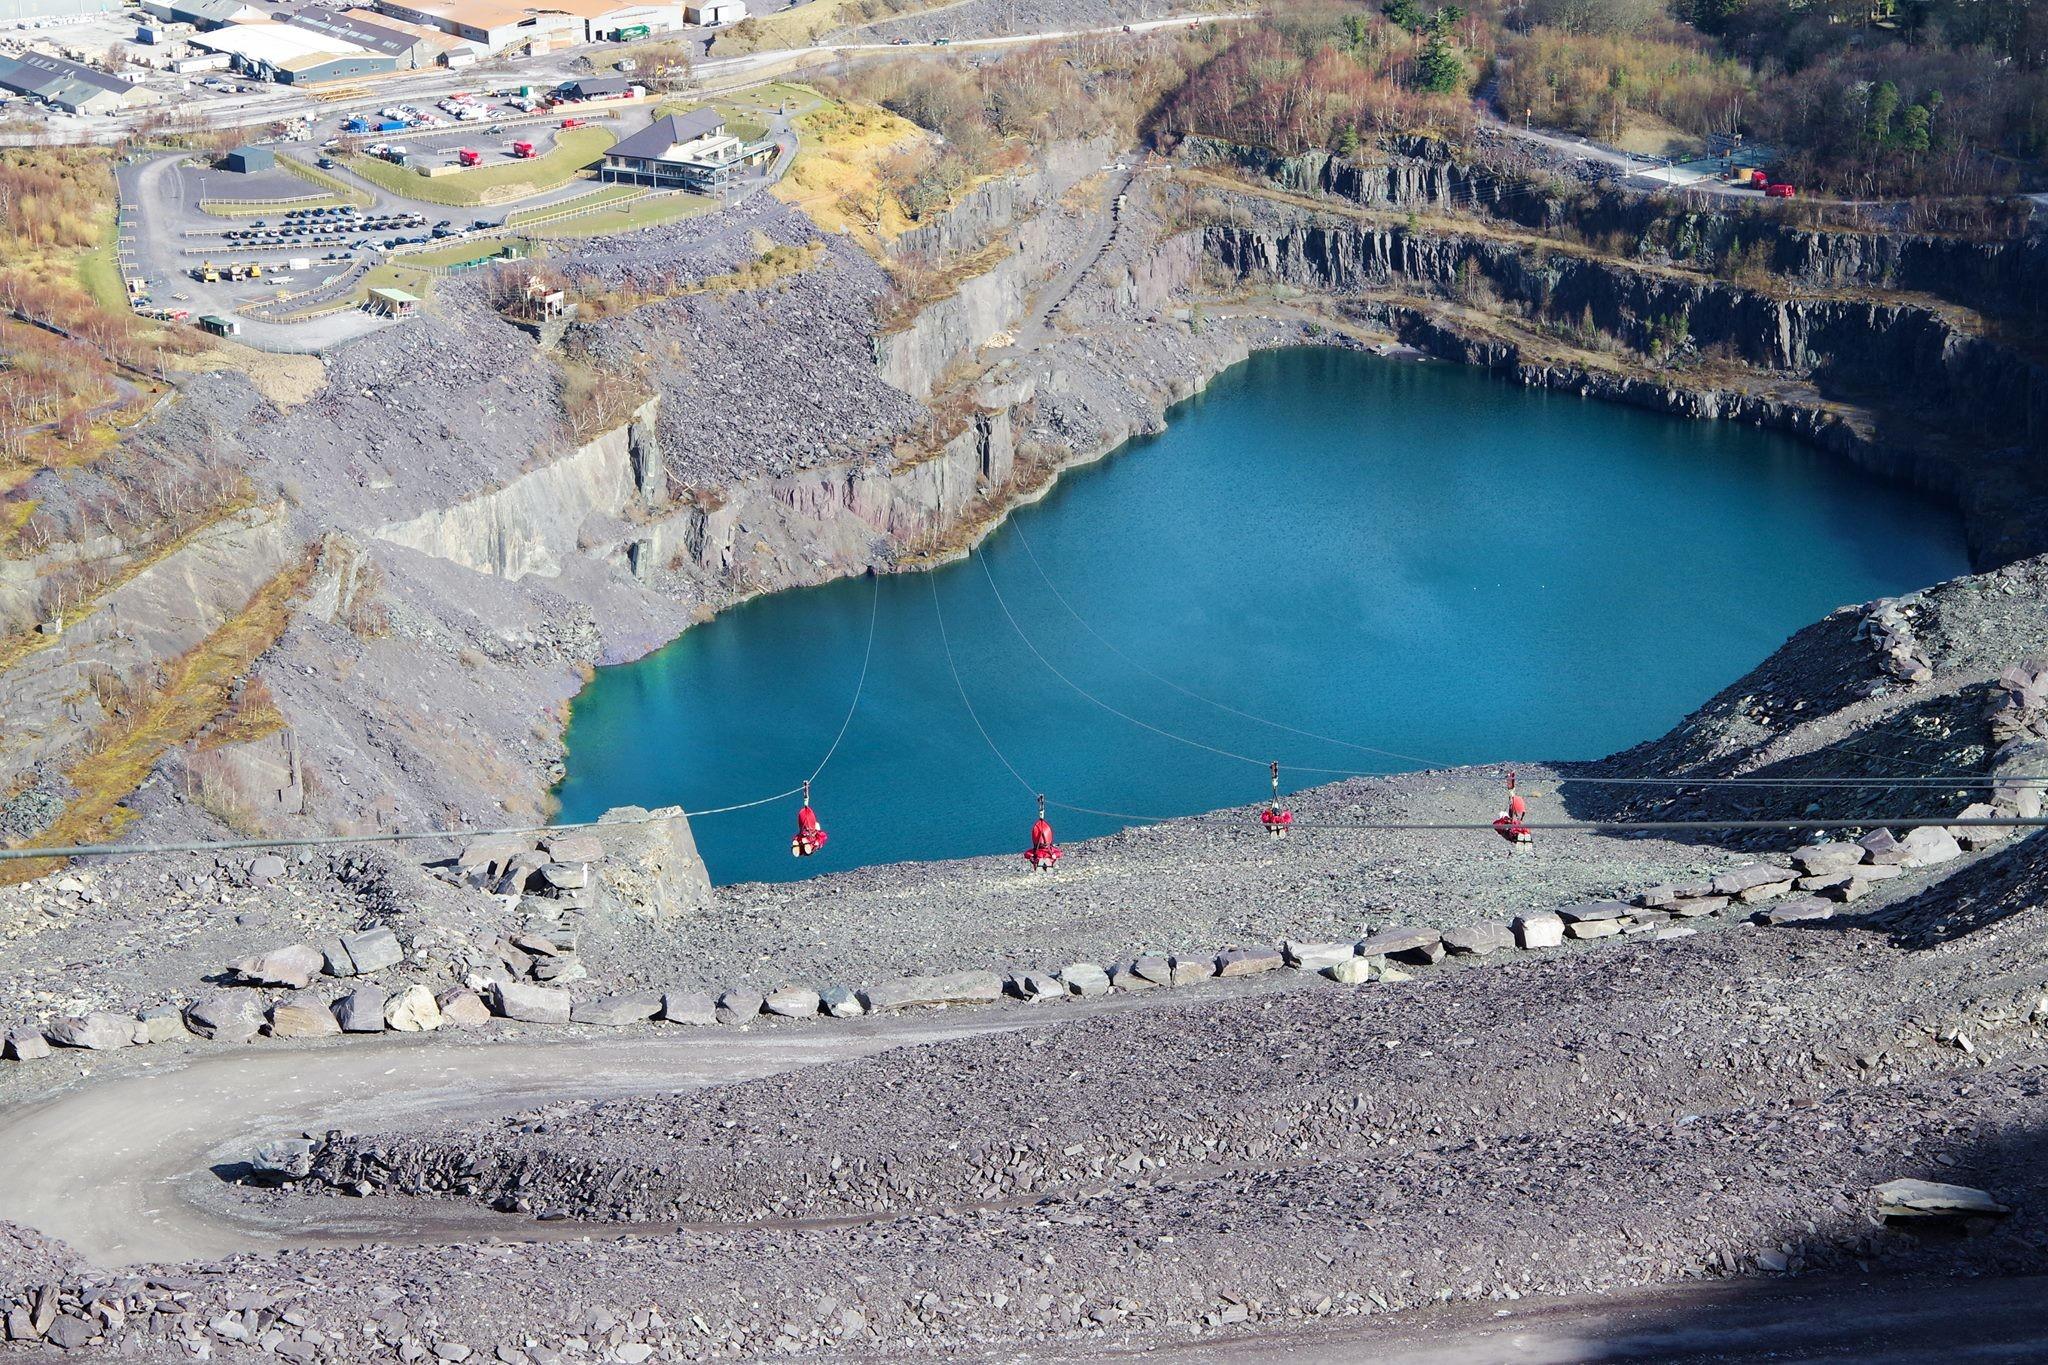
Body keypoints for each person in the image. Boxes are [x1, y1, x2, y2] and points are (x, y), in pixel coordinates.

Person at [792, 785, 828, 858]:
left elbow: (823, 837)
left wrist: (796, 839)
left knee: (805, 839)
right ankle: (802, 847)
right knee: (809, 842)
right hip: (808, 838)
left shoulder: (816, 834)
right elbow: (823, 837)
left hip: (805, 834)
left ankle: (801, 847)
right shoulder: (817, 837)